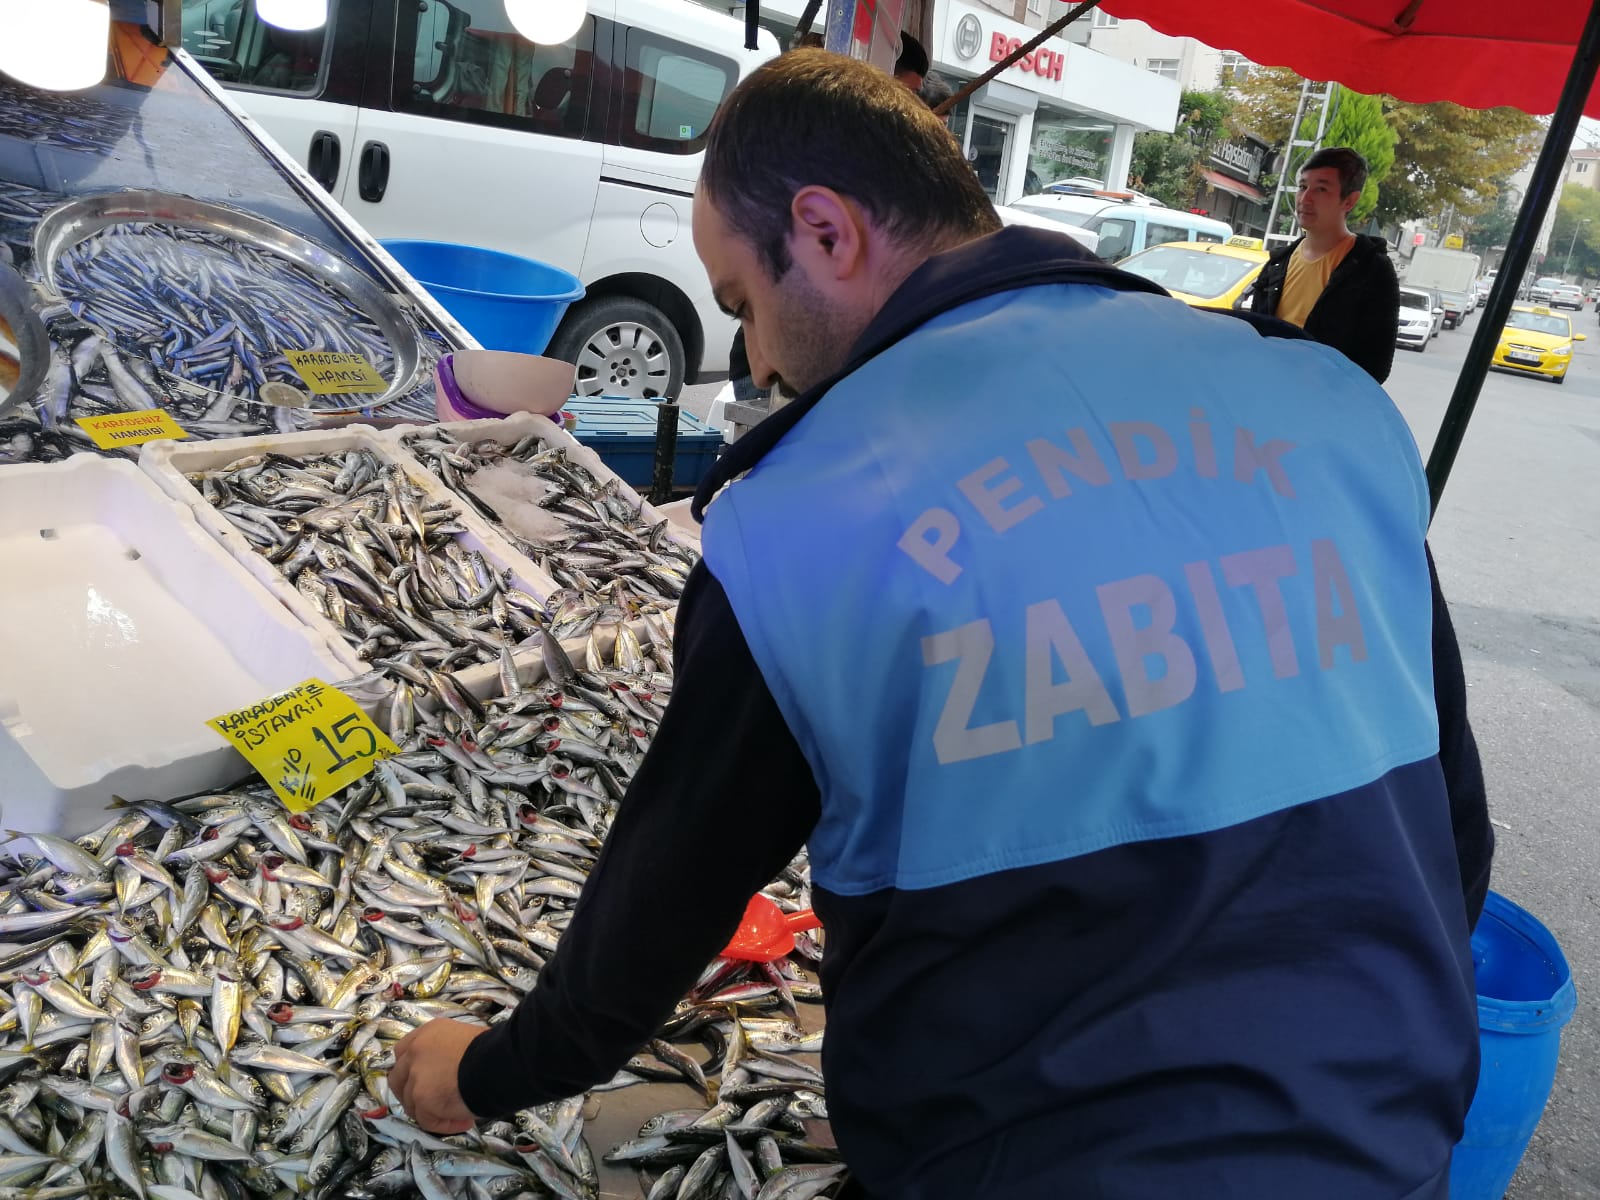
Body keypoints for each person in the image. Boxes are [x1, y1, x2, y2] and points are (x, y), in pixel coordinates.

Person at [390, 51, 1492, 1199]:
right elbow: (1451, 826)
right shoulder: (1320, 405)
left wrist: (491, 1071)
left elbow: (664, 902)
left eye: (740, 304)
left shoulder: (808, 514)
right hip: (1384, 1130)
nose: (756, 356)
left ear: (823, 231)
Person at [1248, 146, 1401, 383]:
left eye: (1321, 189)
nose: (1305, 198)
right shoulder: (1278, 262)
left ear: (1349, 201)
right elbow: (1254, 335)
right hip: (1265, 388)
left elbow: (1375, 367)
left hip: (1321, 402)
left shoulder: (1372, 270)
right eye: (1302, 186)